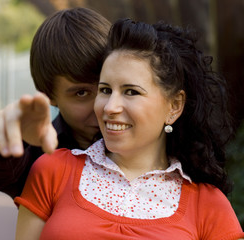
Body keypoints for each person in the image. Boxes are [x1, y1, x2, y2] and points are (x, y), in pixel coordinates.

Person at [14, 19, 244, 239]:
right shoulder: (53, 171)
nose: (110, 107)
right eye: (105, 90)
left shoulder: (208, 205)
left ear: (174, 106)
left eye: (131, 92)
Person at [0, 7, 111, 198]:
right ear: (49, 95)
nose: (102, 106)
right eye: (81, 93)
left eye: (107, 89)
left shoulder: (154, 142)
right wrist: (6, 133)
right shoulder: (38, 156)